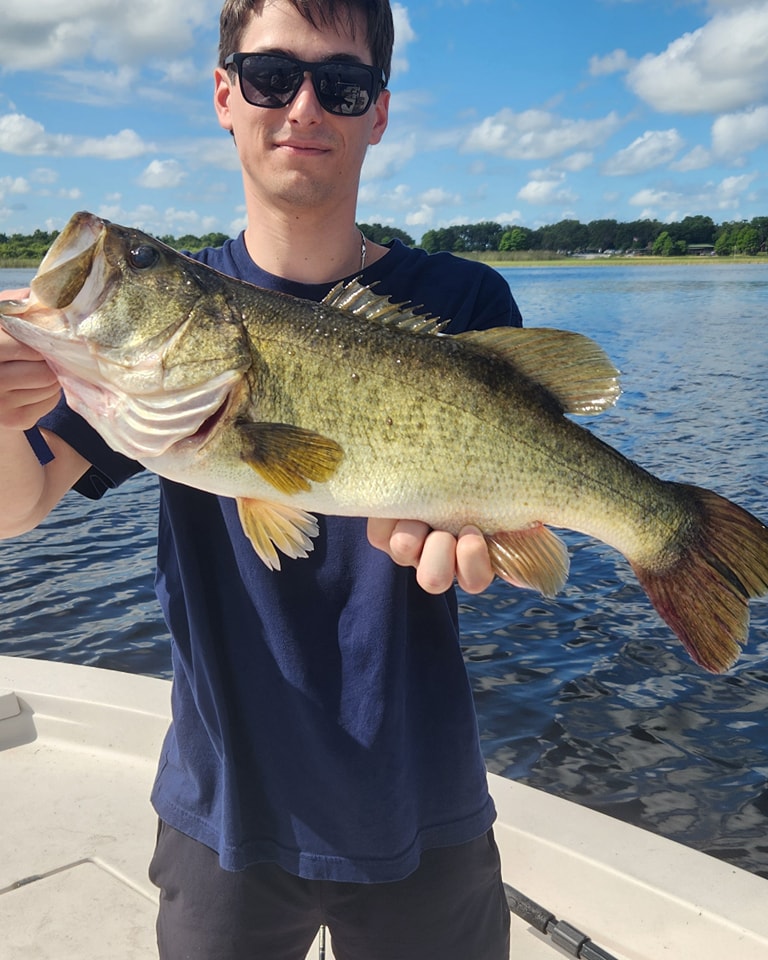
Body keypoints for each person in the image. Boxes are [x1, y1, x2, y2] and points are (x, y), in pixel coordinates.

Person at [0, 1, 524, 956]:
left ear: (379, 112)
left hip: (427, 804)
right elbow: (19, 500)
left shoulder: (465, 303)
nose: (303, 107)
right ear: (225, 94)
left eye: (343, 82)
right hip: (222, 813)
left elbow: (521, 504)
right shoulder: (151, 365)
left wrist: (500, 544)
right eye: (272, 76)